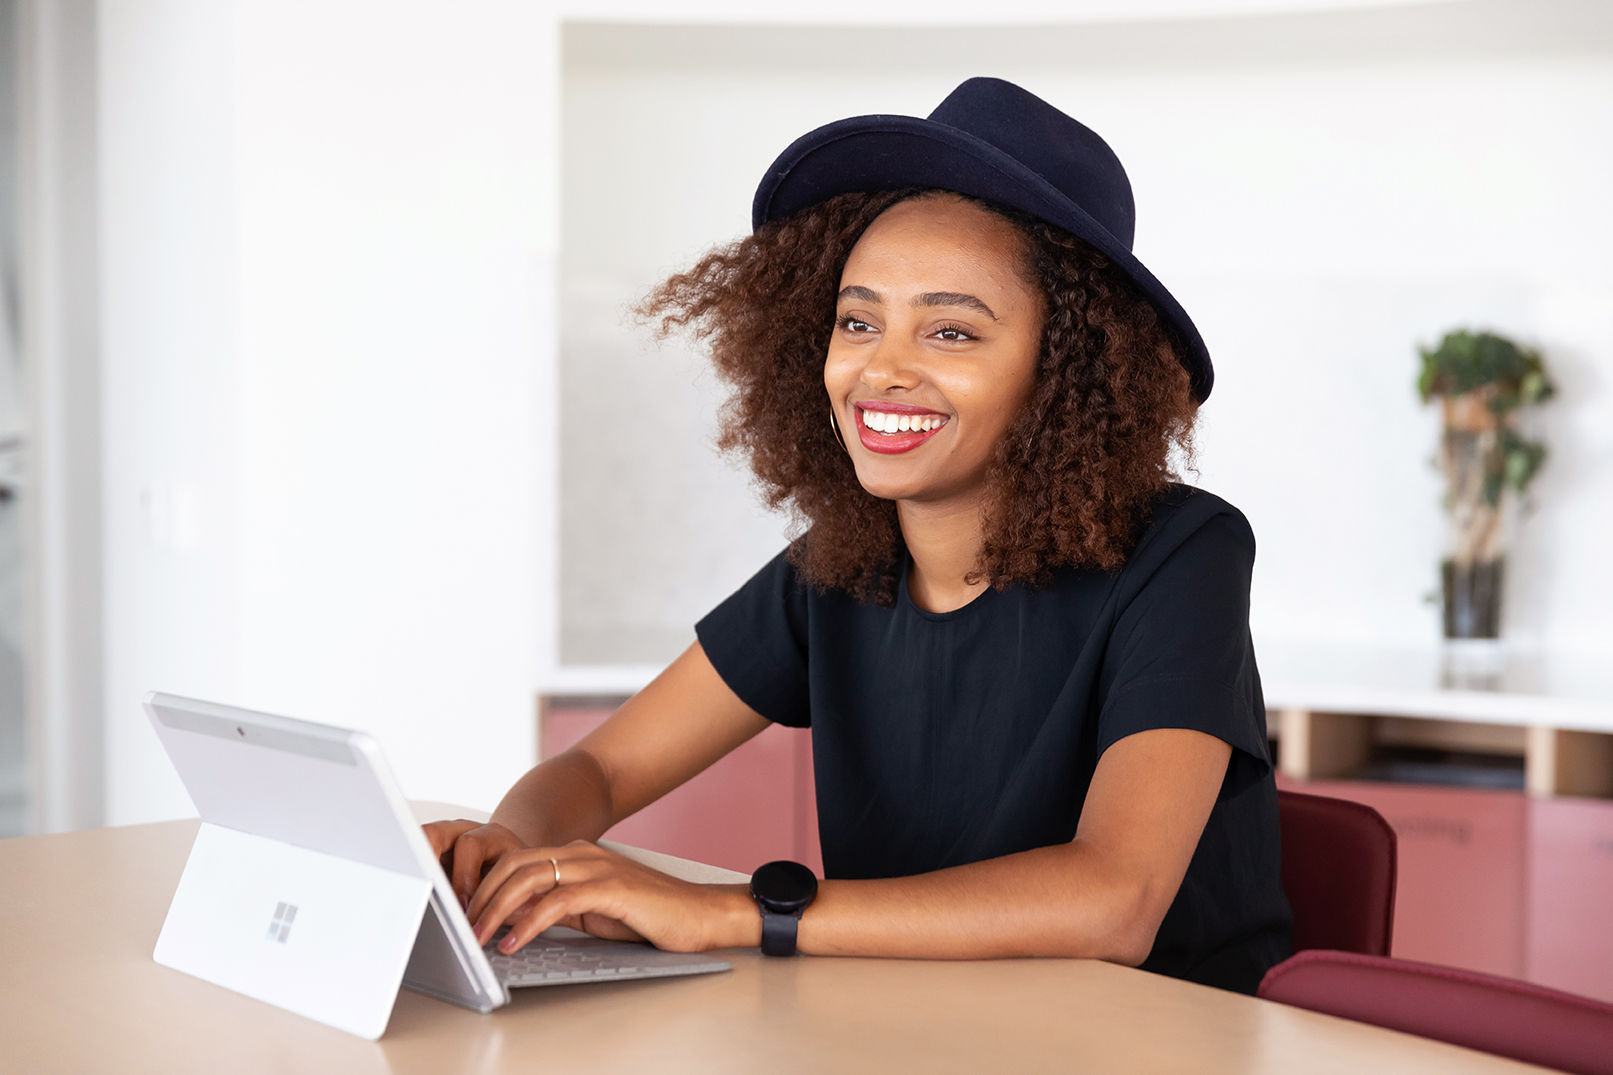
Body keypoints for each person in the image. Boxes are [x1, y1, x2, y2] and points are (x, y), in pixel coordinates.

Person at [426, 77, 1293, 994]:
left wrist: (730, 911)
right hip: (916, 1025)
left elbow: (1112, 901)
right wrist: (507, 852)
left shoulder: (1182, 551)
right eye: (858, 319)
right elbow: (599, 765)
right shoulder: (841, 563)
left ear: (1065, 369)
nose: (882, 369)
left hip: (1154, 1037)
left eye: (951, 331)